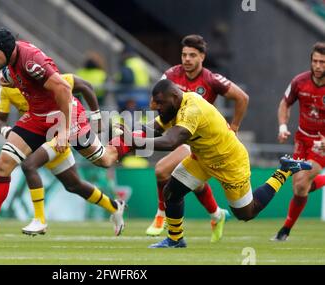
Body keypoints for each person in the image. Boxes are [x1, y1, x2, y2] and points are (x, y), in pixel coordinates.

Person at [0, 28, 124, 243]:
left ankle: (125, 140)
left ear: (7, 50)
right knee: (4, 164)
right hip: (37, 117)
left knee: (103, 160)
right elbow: (1, 114)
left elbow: (65, 88)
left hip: (65, 117)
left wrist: (65, 130)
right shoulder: (9, 67)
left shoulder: (31, 62)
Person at [123, 79, 312, 248]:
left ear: (173, 97)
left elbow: (172, 141)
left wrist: (135, 141)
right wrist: (123, 136)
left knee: (246, 213)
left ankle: (283, 171)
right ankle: (175, 239)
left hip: (229, 161)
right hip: (203, 159)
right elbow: (152, 129)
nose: (158, 109)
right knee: (171, 192)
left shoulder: (191, 109)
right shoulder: (173, 106)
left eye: (160, 105)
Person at [145, 35, 249, 242]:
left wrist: (235, 126)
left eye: (192, 55)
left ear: (202, 57)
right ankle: (216, 215)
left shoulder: (211, 79)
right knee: (188, 182)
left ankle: (161, 215)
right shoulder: (170, 75)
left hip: (199, 137)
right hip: (181, 135)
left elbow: (242, 97)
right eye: (184, 55)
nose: (187, 59)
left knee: (163, 170)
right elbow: (155, 101)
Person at [0, 70, 123, 235]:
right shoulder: (6, 88)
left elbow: (85, 85)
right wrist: (9, 133)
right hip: (42, 134)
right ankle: (114, 206)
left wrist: (97, 117)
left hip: (65, 127)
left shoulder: (44, 78)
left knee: (29, 165)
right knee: (73, 185)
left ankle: (39, 220)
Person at [272, 42, 325, 241]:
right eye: (315, 61)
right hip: (301, 139)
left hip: (322, 143)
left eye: (322, 62)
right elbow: (285, 103)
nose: (318, 66)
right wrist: (283, 127)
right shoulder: (299, 81)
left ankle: (284, 230)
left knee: (302, 183)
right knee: (299, 188)